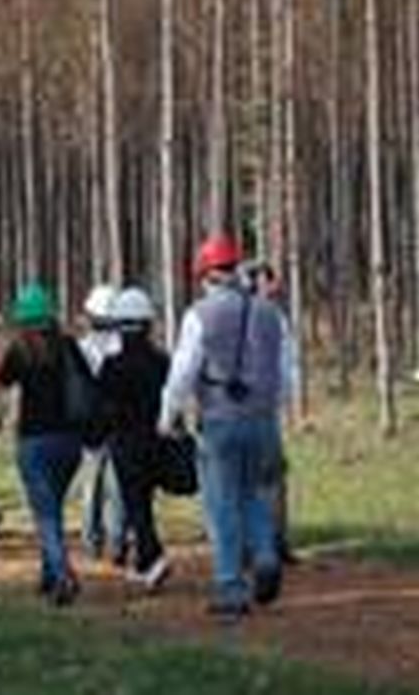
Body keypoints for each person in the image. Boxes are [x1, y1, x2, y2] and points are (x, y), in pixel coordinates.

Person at [162, 234, 293, 618]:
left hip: (220, 421)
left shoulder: (199, 315)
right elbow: (287, 373)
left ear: (204, 274)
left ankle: (230, 589)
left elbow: (183, 372)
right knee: (252, 493)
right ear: (236, 269)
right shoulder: (272, 314)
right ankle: (266, 558)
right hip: (264, 420)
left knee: (222, 505)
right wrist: (273, 407)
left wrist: (167, 416)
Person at [0, 283, 94, 607]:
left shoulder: (20, 350)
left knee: (46, 514)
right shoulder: (68, 346)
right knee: (51, 508)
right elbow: (89, 383)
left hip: (34, 442)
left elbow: (1, 379)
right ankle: (48, 574)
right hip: (70, 443)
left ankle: (64, 574)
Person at [98, 287, 172, 592]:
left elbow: (101, 406)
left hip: (126, 445)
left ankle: (153, 558)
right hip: (156, 440)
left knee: (136, 505)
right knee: (143, 503)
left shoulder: (112, 366)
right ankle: (143, 562)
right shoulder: (162, 361)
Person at [243, 261, 301, 568]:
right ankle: (270, 543)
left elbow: (288, 364)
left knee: (264, 479)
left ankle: (265, 543)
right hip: (259, 410)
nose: (273, 286)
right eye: (267, 280)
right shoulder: (272, 318)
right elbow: (287, 365)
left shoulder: (268, 317)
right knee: (266, 479)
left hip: (251, 409)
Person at [79, 284, 127, 565]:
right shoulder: (122, 345)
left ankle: (91, 540)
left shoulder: (83, 348)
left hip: (93, 425)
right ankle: (117, 540)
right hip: (120, 423)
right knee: (116, 485)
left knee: (92, 483)